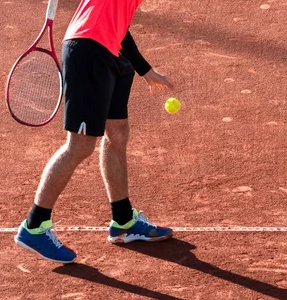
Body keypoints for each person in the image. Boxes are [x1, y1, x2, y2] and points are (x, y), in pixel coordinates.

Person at [14, 0, 174, 264]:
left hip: (111, 49)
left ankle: (123, 220)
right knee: (80, 145)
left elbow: (118, 24)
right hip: (89, 51)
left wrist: (144, 70)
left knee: (118, 133)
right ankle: (34, 225)